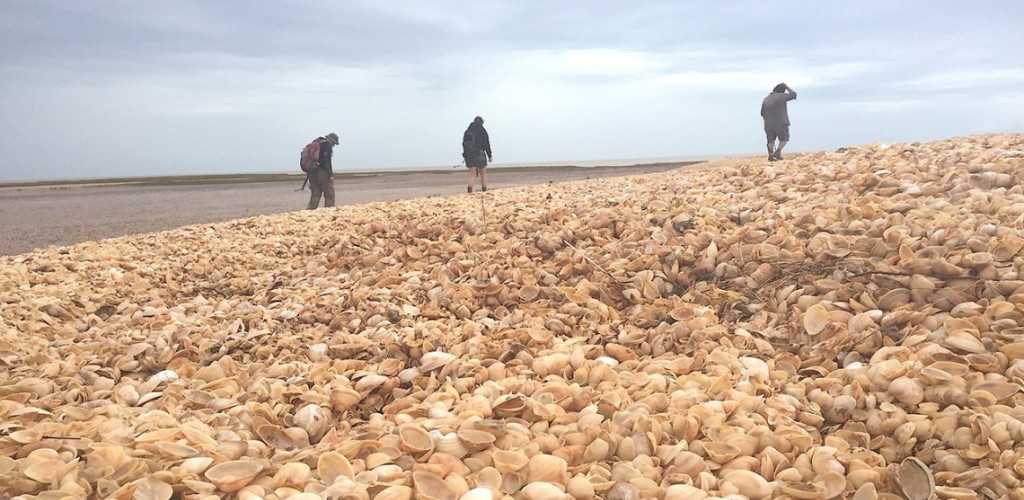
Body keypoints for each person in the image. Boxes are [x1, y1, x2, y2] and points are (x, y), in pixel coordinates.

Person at [761, 83, 797, 161]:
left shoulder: (766, 98)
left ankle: (770, 155)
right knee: (784, 138)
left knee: (770, 140)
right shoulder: (782, 96)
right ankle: (778, 151)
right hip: (781, 122)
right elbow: (794, 95)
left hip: (768, 123)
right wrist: (786, 86)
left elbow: (762, 113)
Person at [307, 132, 340, 209]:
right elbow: (326, 161)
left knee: (315, 194)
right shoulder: (327, 145)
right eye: (334, 143)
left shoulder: (317, 142)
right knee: (329, 194)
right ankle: (329, 211)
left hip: (312, 172)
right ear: (332, 140)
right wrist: (331, 175)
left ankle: (309, 212)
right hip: (322, 172)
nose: (334, 145)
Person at [462, 116, 493, 192]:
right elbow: (486, 143)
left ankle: (470, 189)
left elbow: (464, 144)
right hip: (480, 152)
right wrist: (489, 155)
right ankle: (484, 189)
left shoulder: (468, 131)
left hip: (470, 154)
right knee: (483, 173)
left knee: (472, 173)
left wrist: (465, 154)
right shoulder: (482, 131)